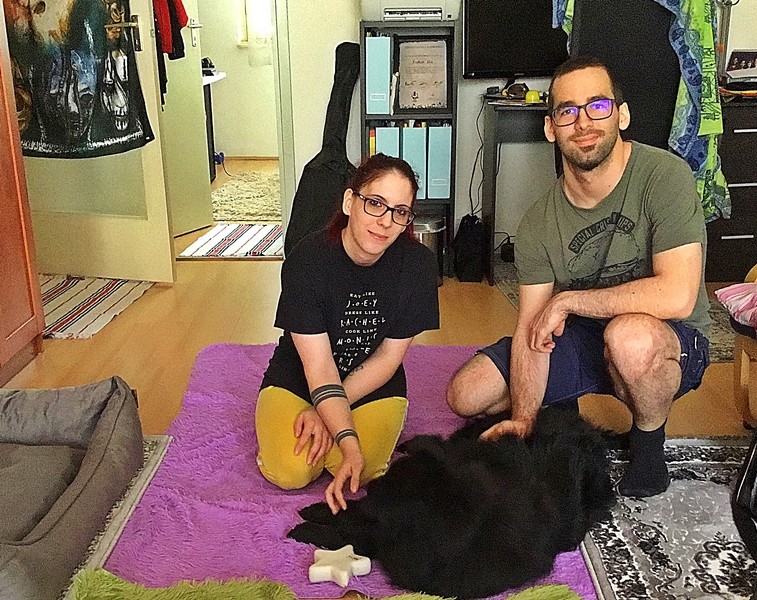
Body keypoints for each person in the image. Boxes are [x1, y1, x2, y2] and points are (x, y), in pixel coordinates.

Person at [446, 55, 711, 498]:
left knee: (630, 339)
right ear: (551, 128)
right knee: (466, 394)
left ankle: (648, 445)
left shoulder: (665, 176)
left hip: (670, 337)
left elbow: (678, 295)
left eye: (597, 106)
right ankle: (557, 412)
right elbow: (532, 327)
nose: (583, 121)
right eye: (567, 111)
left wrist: (568, 301)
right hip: (586, 336)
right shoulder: (537, 222)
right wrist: (524, 420)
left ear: (621, 115)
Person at [256, 153, 440, 513]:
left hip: (370, 382)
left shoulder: (418, 266)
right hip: (300, 377)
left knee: (360, 468)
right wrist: (339, 427)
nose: (386, 221)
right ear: (349, 202)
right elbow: (319, 367)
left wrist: (335, 424)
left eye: (400, 211)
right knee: (290, 470)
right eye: (375, 203)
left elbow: (388, 358)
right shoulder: (306, 261)